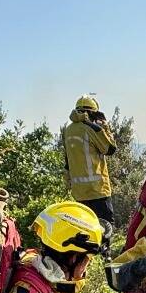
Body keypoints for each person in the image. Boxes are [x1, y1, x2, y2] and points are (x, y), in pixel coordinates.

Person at [59, 94, 117, 231]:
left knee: (84, 229)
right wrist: (105, 127)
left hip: (79, 192)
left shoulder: (68, 130)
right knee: (106, 228)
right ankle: (104, 253)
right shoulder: (92, 128)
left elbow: (68, 159)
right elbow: (110, 149)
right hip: (97, 190)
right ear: (92, 113)